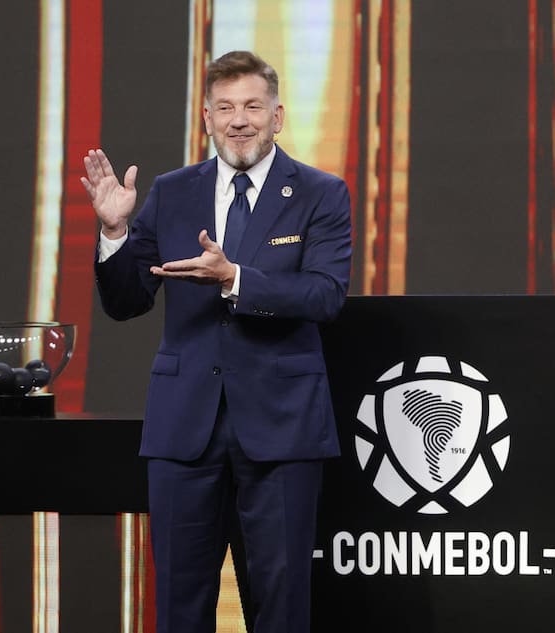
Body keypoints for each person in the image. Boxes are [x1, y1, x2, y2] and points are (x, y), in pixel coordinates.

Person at [82, 50, 352, 633]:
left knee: (280, 606)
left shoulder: (320, 193)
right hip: (184, 430)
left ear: (278, 116)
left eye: (253, 106)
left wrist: (235, 278)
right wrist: (114, 231)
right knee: (180, 602)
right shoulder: (172, 192)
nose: (239, 120)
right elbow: (127, 302)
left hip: (281, 431)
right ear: (205, 118)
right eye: (225, 107)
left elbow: (325, 296)